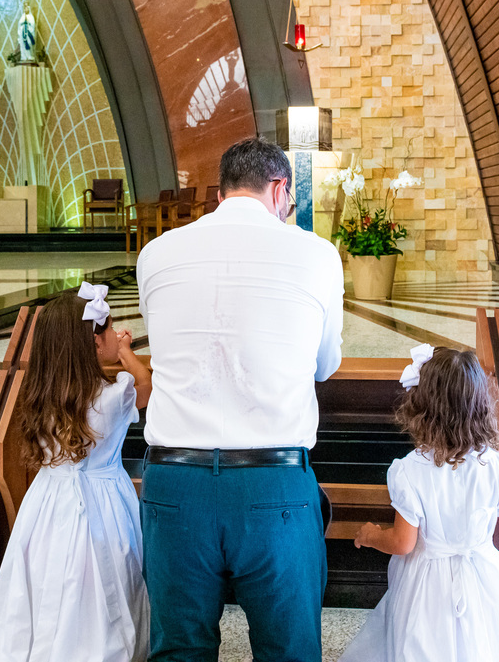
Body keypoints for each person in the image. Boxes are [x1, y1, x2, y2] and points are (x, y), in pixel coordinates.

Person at [136, 136, 345, 661]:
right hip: (273, 484)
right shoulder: (316, 254)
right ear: (280, 190)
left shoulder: (156, 254)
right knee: (289, 651)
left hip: (173, 483)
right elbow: (325, 365)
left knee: (179, 651)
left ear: (224, 190)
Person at [0, 283, 153, 662]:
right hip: (103, 498)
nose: (111, 334)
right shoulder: (113, 393)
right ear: (92, 342)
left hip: (47, 500)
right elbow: (146, 386)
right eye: (106, 330)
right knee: (100, 577)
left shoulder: (42, 392)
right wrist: (126, 352)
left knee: (46, 570)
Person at [339, 344, 499, 662]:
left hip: (426, 585)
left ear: (422, 406)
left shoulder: (409, 470)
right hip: (485, 581)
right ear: (481, 404)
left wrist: (371, 535)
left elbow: (403, 543)